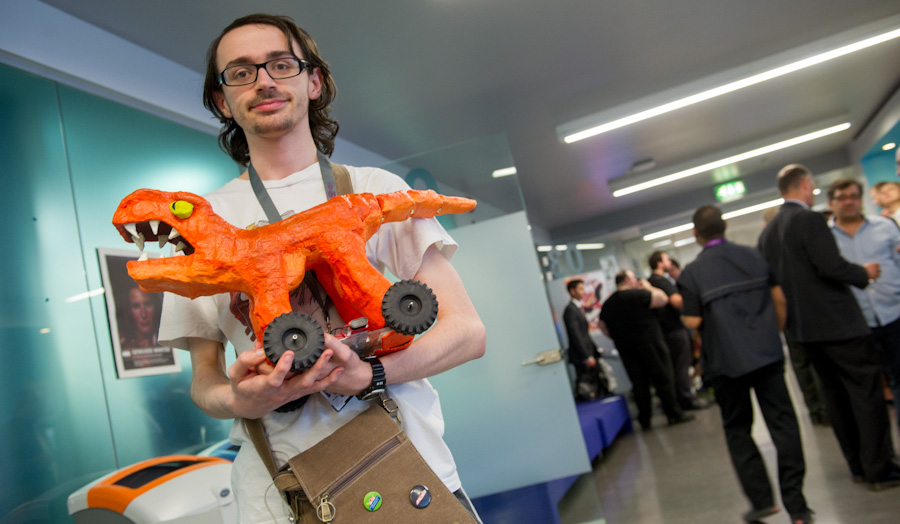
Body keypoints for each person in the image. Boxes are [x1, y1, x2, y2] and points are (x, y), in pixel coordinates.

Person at [157, 14, 486, 523]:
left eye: (281, 64)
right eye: (240, 72)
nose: (264, 80)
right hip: (278, 498)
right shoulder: (202, 228)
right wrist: (240, 397)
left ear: (313, 82)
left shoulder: (370, 185)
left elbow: (466, 332)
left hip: (410, 479)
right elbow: (203, 381)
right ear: (223, 100)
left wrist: (371, 373)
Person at [758, 163, 900, 491]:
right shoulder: (808, 218)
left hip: (805, 332)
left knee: (836, 400)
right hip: (839, 325)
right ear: (806, 184)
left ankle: (858, 466)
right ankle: (880, 467)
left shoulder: (768, 233)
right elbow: (829, 265)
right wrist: (864, 274)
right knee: (866, 395)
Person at [679, 205, 811, 524]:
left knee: (738, 430)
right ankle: (798, 507)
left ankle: (763, 502)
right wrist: (772, 332)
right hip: (767, 355)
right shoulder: (754, 256)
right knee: (784, 425)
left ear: (696, 234)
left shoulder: (691, 274)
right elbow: (780, 300)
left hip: (725, 364)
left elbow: (693, 319)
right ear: (724, 227)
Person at [827, 178, 900, 427]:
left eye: (853, 196)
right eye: (842, 197)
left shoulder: (885, 226)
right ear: (831, 203)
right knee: (869, 391)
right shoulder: (825, 239)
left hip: (894, 313)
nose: (849, 202)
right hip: (857, 324)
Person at [598, 270, 693, 429]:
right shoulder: (637, 294)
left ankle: (645, 419)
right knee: (663, 378)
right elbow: (663, 299)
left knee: (639, 383)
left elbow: (602, 326)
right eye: (634, 278)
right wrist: (648, 287)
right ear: (628, 280)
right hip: (651, 344)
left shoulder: (609, 303)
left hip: (626, 348)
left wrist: (617, 337)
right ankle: (673, 414)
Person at [647, 251, 704, 410]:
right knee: (681, 366)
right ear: (659, 264)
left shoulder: (651, 282)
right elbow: (676, 301)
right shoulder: (661, 281)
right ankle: (686, 399)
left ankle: (680, 399)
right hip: (675, 330)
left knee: (675, 367)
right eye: (666, 260)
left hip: (664, 332)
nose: (669, 263)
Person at [563, 279, 606, 400]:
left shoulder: (577, 308)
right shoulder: (570, 310)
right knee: (585, 385)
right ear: (572, 291)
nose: (584, 292)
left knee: (596, 382)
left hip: (588, 352)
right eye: (580, 289)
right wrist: (587, 356)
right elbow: (575, 335)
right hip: (581, 356)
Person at [120, 285, 160, 350]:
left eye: (148, 304)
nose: (143, 314)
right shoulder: (123, 348)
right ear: (129, 311)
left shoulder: (169, 341)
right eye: (136, 306)